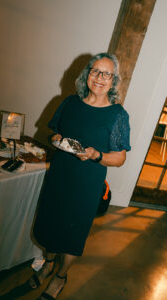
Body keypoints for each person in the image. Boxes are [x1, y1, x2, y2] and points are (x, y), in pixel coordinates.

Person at [29, 52, 131, 300]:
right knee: (50, 223)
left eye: (106, 74)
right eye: (95, 71)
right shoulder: (70, 103)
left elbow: (119, 157)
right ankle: (48, 264)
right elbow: (53, 134)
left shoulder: (117, 115)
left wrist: (96, 155)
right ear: (87, 74)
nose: (100, 77)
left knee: (72, 234)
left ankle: (61, 276)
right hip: (60, 176)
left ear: (113, 81)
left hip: (86, 184)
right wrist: (58, 141)